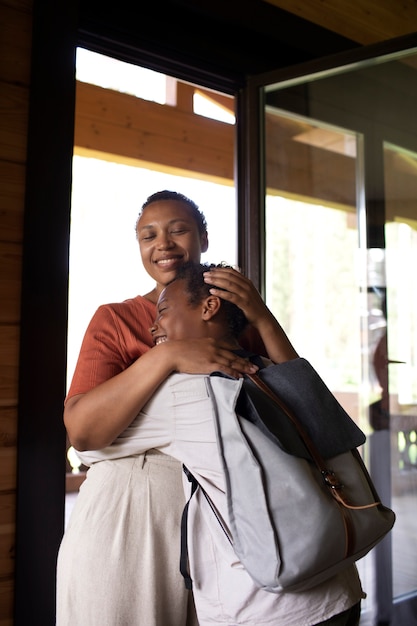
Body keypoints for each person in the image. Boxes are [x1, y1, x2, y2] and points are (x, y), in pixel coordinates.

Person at [74, 261, 365, 626]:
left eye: (163, 311)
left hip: (267, 606)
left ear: (209, 307)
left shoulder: (179, 393)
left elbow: (87, 441)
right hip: (340, 587)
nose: (153, 325)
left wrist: (163, 358)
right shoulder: (271, 369)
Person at [56, 190, 298, 626]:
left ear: (203, 237)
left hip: (230, 521)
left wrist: (260, 314)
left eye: (178, 230)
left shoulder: (232, 319)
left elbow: (301, 402)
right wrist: (165, 356)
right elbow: (82, 432)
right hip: (132, 514)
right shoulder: (115, 319)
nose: (162, 244)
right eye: (148, 235)